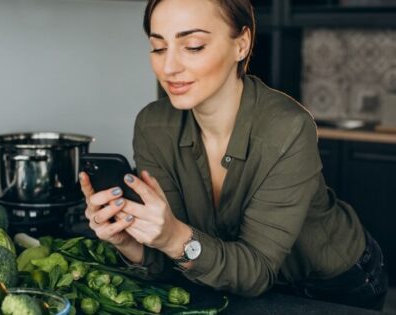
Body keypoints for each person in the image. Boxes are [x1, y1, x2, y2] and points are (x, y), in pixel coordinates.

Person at [79, 0, 388, 310]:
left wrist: (175, 238)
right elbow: (176, 258)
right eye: (158, 48)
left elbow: (254, 271)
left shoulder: (287, 127)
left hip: (332, 283)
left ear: (241, 44)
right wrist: (130, 243)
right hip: (231, 282)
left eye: (194, 46)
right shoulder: (154, 126)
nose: (169, 67)